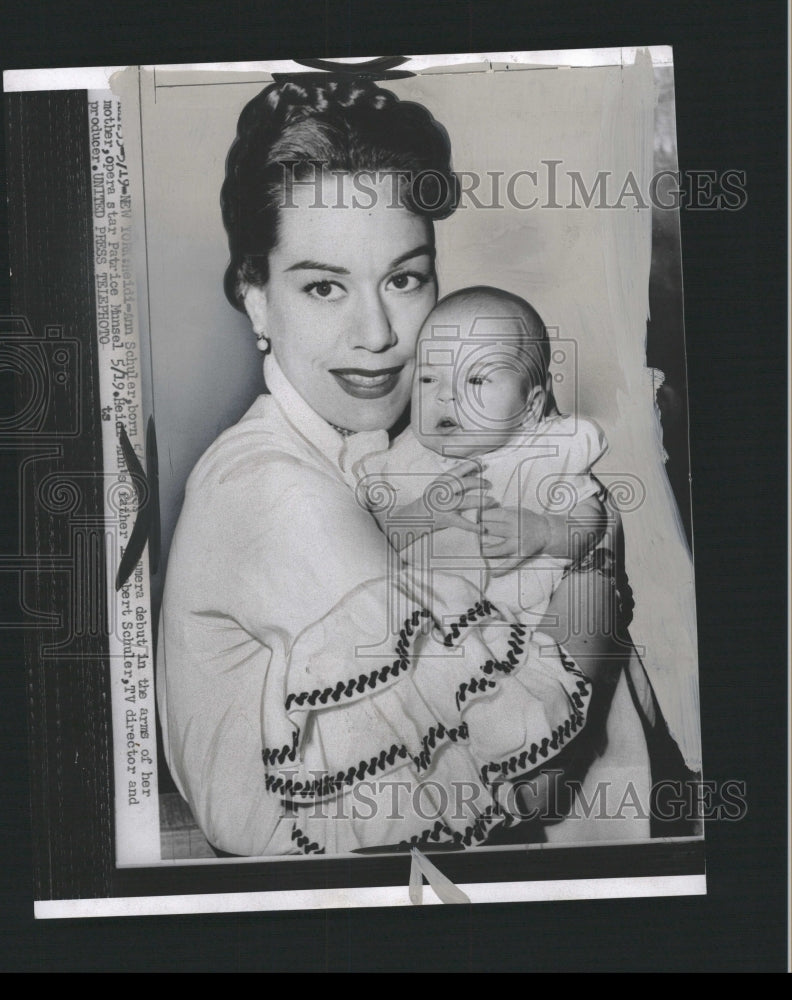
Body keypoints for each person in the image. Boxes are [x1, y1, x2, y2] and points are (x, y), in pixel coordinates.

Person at [156, 75, 657, 857]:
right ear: (256, 299)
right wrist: (595, 576)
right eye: (324, 286)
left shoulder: (387, 452)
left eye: (404, 278)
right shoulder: (268, 489)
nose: (379, 334)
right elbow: (524, 750)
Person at [356, 285, 609, 629]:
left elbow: (591, 520)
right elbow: (373, 539)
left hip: (517, 627)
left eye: (475, 379)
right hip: (425, 625)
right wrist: (423, 514)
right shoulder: (403, 459)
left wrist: (547, 532)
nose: (445, 395)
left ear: (531, 406)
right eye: (428, 378)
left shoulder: (545, 451)